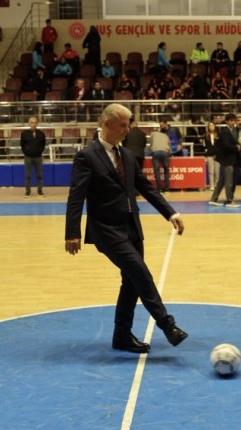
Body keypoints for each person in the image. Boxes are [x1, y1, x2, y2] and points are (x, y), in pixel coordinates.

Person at [64, 103, 188, 354]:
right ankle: (167, 325)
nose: (127, 129)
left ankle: (121, 335)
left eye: (128, 124)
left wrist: (170, 212)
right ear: (106, 123)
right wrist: (72, 232)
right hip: (106, 230)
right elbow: (76, 196)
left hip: (132, 228)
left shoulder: (128, 155)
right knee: (141, 272)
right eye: (123, 125)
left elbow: (146, 188)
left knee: (131, 282)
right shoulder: (87, 156)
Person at [208, 113, 241, 207]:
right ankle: (229, 201)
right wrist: (236, 147)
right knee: (228, 182)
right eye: (231, 120)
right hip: (227, 160)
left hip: (227, 160)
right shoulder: (225, 132)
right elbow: (226, 146)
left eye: (234, 120)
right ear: (227, 121)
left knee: (221, 181)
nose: (233, 122)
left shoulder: (231, 131)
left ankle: (214, 198)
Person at [20, 117, 47, 198]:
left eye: (35, 123)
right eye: (32, 123)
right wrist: (27, 153)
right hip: (28, 157)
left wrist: (39, 152)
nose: (33, 124)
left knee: (40, 175)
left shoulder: (41, 134)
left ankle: (40, 191)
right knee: (28, 175)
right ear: (29, 124)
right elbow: (22, 145)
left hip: (38, 157)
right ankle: (28, 191)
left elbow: (43, 145)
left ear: (37, 123)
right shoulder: (24, 134)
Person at [150, 124, 172, 193]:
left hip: (155, 152)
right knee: (166, 171)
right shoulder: (166, 136)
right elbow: (170, 148)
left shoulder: (153, 134)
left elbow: (151, 144)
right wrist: (170, 154)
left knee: (157, 171)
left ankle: (159, 189)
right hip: (165, 152)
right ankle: (166, 188)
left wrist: (151, 149)